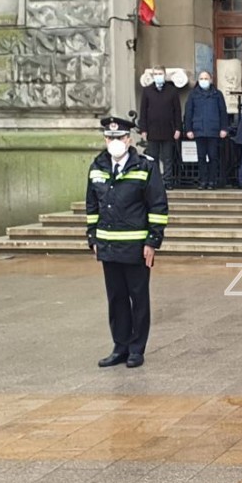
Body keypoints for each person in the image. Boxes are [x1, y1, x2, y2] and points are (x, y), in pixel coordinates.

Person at [86, 116, 168, 369]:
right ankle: (120, 347)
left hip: (136, 246)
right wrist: (93, 237)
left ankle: (136, 349)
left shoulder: (145, 166)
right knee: (116, 299)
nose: (114, 142)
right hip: (108, 246)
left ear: (128, 139)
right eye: (109, 137)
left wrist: (152, 241)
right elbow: (92, 205)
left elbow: (157, 205)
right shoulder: (97, 166)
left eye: (119, 137)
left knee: (138, 299)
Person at [138, 65, 182, 190]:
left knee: (168, 157)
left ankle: (168, 181)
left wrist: (178, 128)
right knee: (153, 157)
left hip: (168, 130)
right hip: (152, 130)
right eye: (156, 74)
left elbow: (177, 111)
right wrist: (143, 129)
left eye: (160, 74)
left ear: (164, 75)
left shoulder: (172, 91)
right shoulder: (147, 91)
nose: (158, 76)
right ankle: (155, 181)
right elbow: (143, 111)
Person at [184, 70, 228, 190]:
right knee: (201, 157)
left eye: (206, 78)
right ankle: (203, 181)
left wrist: (224, 128)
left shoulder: (217, 94)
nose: (204, 81)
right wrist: (188, 129)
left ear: (211, 80)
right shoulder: (193, 95)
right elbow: (188, 113)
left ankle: (212, 181)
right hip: (199, 130)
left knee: (213, 156)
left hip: (213, 130)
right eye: (201, 79)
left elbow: (223, 112)